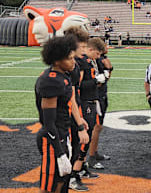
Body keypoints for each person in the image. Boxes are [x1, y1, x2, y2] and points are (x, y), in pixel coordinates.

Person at [35, 36, 77, 193]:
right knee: (49, 185)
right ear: (56, 60)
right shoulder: (50, 81)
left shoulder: (63, 75)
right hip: (52, 138)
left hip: (62, 134)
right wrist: (59, 152)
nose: (73, 62)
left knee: (61, 181)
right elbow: (49, 122)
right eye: (69, 58)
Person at [63, 27, 90, 192]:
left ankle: (72, 177)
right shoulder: (66, 66)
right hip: (61, 118)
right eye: (82, 47)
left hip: (70, 113)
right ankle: (70, 178)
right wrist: (79, 122)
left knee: (74, 148)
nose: (85, 50)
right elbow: (70, 96)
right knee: (64, 152)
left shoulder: (74, 65)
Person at [77, 38, 106, 173]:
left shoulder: (89, 61)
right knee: (84, 138)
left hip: (92, 100)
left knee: (88, 136)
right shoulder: (82, 62)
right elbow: (78, 86)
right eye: (97, 54)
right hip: (85, 102)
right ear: (90, 49)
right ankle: (75, 172)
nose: (98, 57)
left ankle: (82, 167)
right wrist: (95, 81)